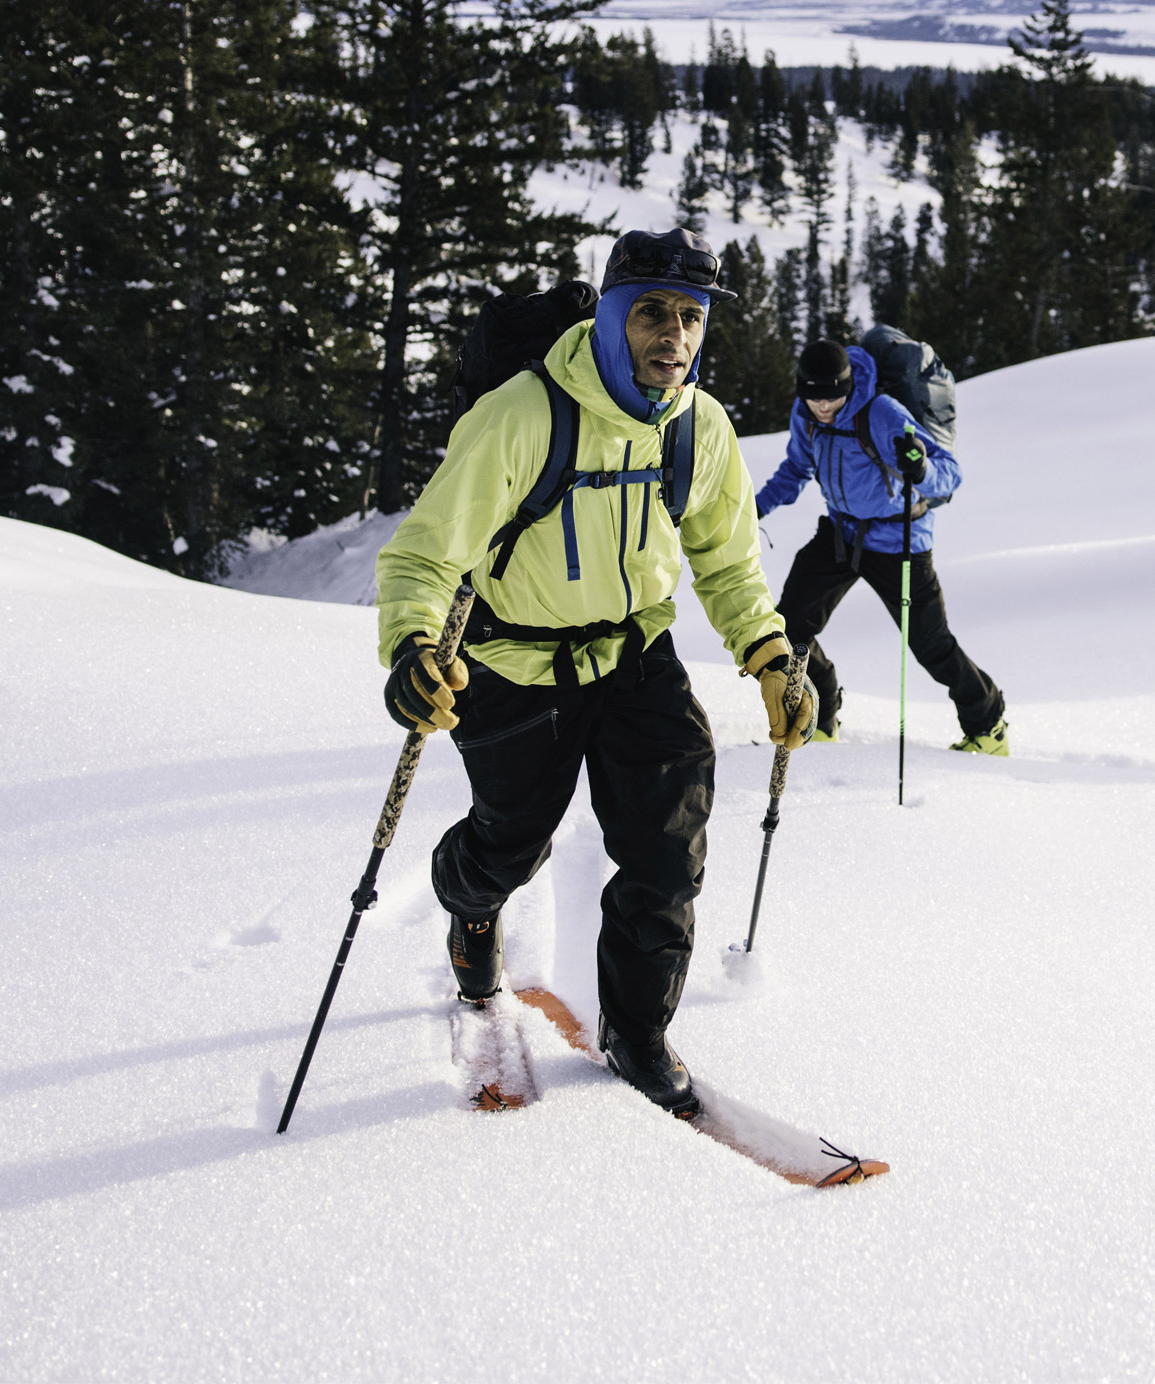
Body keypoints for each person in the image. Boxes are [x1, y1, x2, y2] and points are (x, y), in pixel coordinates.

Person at [374, 228, 816, 1115]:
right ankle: (471, 904)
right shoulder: (523, 414)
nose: (676, 336)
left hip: (633, 658)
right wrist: (414, 650)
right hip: (512, 664)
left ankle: (637, 1031)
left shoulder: (701, 428)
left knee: (667, 848)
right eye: (653, 312)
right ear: (612, 313)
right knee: (510, 842)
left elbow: (727, 566)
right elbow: (423, 557)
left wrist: (768, 655)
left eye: (692, 317)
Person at [754, 339, 1007, 754]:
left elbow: (950, 474)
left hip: (897, 541)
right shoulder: (807, 414)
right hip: (840, 533)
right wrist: (756, 508)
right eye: (812, 396)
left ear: (848, 385)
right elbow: (797, 468)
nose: (822, 405)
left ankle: (988, 723)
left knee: (931, 645)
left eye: (832, 395)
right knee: (792, 623)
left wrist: (920, 467)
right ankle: (822, 712)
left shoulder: (882, 412)